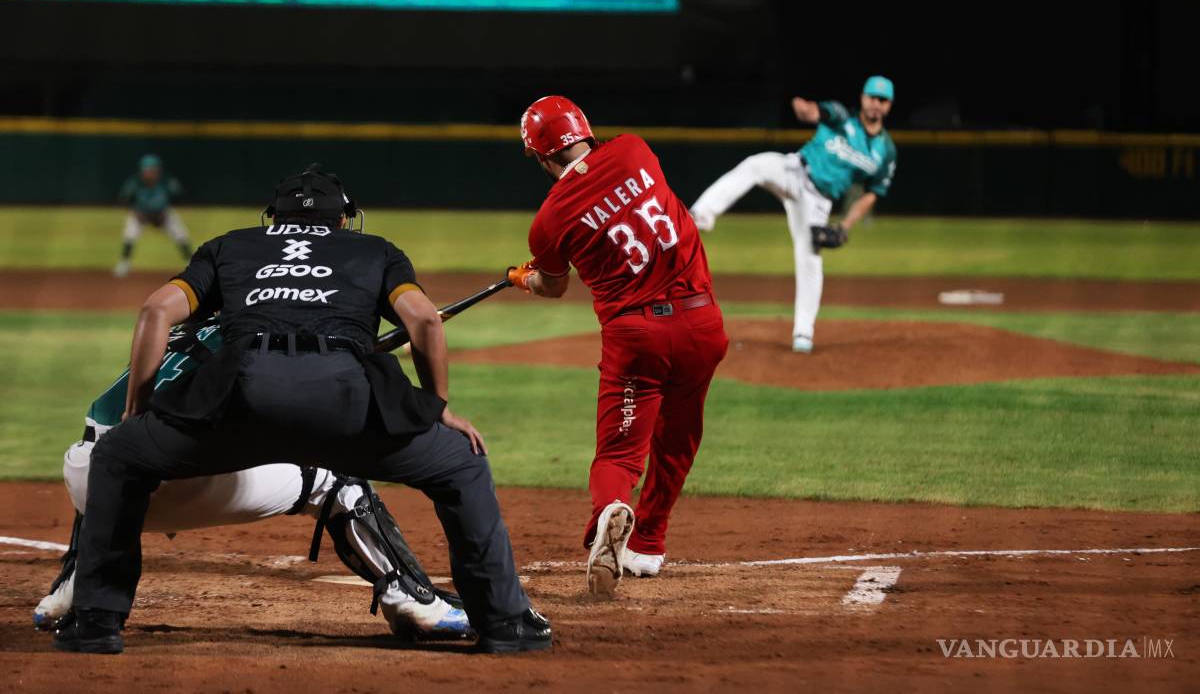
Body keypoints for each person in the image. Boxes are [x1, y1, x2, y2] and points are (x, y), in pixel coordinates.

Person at [53, 166, 548, 655]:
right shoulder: (376, 251)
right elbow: (424, 323)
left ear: (273, 218)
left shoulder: (230, 246)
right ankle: (505, 624)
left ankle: (95, 623)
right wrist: (436, 408)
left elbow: (155, 311)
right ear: (342, 219)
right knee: (461, 464)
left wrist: (139, 413)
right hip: (346, 400)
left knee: (119, 456)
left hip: (239, 402)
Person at [34, 316, 471, 641]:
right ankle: (414, 603)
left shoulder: (195, 325)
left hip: (85, 475)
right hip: (161, 485)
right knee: (334, 477)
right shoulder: (268, 337)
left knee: (115, 454)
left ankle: (71, 590)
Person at [508, 96, 729, 596]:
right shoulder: (635, 150)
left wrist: (525, 278)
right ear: (583, 128)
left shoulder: (549, 220)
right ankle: (648, 545)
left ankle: (610, 511)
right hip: (702, 325)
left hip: (638, 340)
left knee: (620, 454)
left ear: (541, 156)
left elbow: (555, 285)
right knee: (677, 440)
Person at [689, 75, 898, 353]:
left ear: (889, 105)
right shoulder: (841, 117)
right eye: (872, 97)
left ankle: (803, 333)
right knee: (756, 165)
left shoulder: (885, 151)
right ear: (862, 98)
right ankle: (701, 216)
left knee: (810, 261)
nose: (876, 104)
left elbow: (872, 192)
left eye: (882, 100)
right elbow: (816, 111)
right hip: (795, 171)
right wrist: (806, 110)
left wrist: (846, 225)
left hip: (818, 202)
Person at [114, 153, 192, 277]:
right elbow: (123, 199)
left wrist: (165, 211)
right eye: (148, 170)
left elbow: (179, 197)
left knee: (180, 233)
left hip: (162, 213)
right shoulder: (135, 182)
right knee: (129, 233)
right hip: (141, 214)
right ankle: (124, 263)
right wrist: (136, 211)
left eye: (153, 170)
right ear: (142, 171)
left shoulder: (167, 181)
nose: (151, 173)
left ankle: (191, 264)